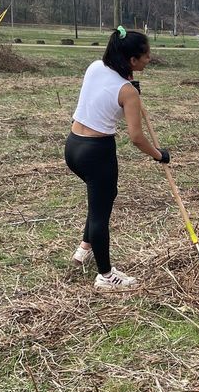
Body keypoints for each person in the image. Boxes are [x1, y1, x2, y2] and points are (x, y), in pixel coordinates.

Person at [64, 26, 169, 291]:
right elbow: (136, 137)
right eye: (145, 55)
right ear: (132, 60)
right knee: (101, 212)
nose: (149, 59)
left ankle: (84, 249)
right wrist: (159, 155)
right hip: (97, 152)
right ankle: (106, 275)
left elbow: (103, 92)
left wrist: (130, 83)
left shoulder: (96, 66)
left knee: (102, 197)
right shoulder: (128, 92)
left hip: (74, 146)